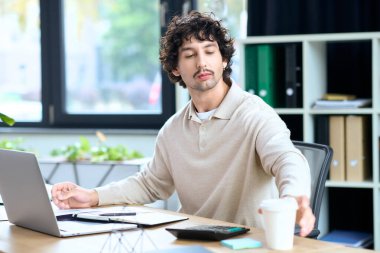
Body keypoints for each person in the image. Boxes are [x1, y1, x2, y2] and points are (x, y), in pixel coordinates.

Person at [52, 11, 315, 237]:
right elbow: (150, 184)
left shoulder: (255, 114)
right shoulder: (173, 129)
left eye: (210, 52)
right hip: (189, 240)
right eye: (189, 55)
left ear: (223, 60)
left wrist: (293, 198)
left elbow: (286, 158)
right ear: (176, 68)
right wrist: (92, 196)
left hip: (245, 243)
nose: (202, 62)